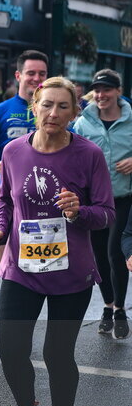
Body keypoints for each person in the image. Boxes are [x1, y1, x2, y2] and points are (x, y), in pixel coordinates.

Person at [0, 76, 114, 406]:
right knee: (11, 350)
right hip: (21, 268)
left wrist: (79, 211)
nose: (53, 113)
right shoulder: (13, 151)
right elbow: (4, 197)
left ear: (75, 113)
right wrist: (0, 230)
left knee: (57, 355)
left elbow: (106, 214)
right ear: (34, 107)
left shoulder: (88, 155)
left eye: (62, 107)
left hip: (71, 273)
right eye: (47, 105)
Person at [72, 69, 132, 339]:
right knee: (98, 258)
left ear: (118, 91)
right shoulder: (84, 123)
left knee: (114, 252)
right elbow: (73, 154)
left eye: (106, 89)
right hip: (95, 200)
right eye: (96, 90)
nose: (100, 95)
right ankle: (108, 306)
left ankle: (120, 309)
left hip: (124, 198)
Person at [0, 50, 48, 176]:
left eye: (42, 74)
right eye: (31, 73)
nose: (37, 78)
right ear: (18, 76)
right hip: (8, 190)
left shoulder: (56, 111)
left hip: (46, 186)